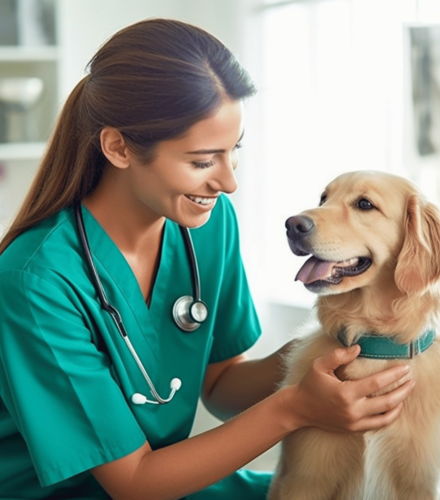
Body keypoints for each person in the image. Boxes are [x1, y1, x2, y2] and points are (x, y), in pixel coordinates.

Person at [0, 18, 414, 500]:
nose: (228, 182)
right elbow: (132, 483)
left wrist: (335, 346)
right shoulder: (35, 282)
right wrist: (296, 408)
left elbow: (220, 386)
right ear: (119, 147)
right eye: (201, 161)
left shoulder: (207, 223)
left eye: (232, 151)